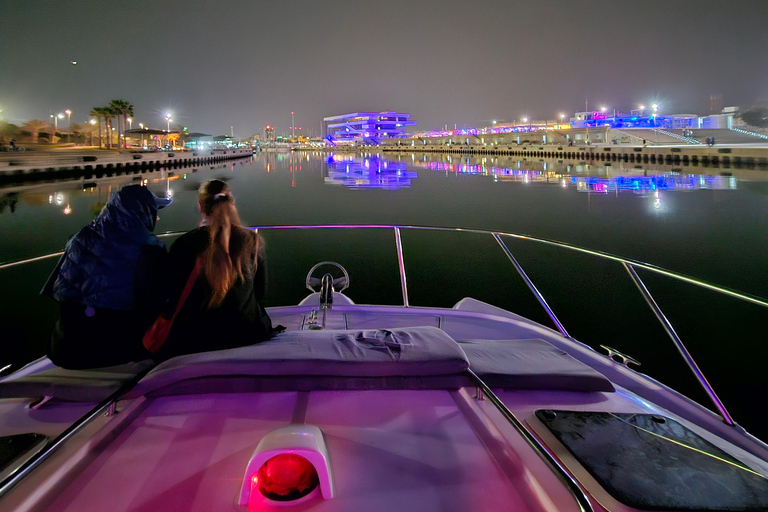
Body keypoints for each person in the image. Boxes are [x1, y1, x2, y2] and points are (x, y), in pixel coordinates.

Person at [41, 185, 171, 369]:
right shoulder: (149, 248)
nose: (156, 217)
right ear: (144, 212)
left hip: (64, 350)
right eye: (154, 211)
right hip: (112, 354)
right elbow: (157, 302)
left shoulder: (80, 237)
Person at [154, 179, 276, 359]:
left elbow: (171, 292)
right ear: (232, 204)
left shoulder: (184, 244)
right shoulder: (251, 241)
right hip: (247, 333)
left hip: (197, 338)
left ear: (200, 207)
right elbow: (260, 292)